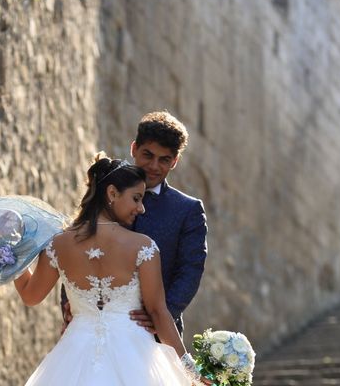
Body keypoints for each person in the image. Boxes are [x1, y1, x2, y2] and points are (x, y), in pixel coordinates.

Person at [14, 154, 209, 385]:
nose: (142, 208)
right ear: (112, 193)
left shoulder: (58, 244)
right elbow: (158, 312)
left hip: (73, 354)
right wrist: (189, 369)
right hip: (134, 355)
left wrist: (11, 259)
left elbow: (30, 295)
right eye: (136, 198)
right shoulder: (142, 247)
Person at [63, 111, 208, 336]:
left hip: (156, 335)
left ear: (175, 161)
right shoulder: (107, 192)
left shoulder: (187, 210)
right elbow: (78, 243)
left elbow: (190, 270)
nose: (154, 165)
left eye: (164, 159)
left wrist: (160, 315)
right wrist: (69, 303)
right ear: (133, 149)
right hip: (95, 327)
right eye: (147, 155)